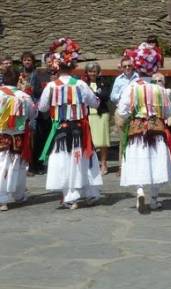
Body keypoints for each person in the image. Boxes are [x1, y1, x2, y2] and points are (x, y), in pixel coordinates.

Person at [38, 37, 103, 210]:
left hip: (60, 127)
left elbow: (43, 107)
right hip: (80, 127)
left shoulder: (51, 86)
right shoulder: (81, 84)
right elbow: (95, 103)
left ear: (56, 66)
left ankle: (70, 196)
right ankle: (90, 193)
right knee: (83, 158)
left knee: (64, 160)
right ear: (72, 65)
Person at [116, 42, 171, 213]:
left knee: (138, 161)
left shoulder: (132, 88)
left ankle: (140, 190)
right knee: (156, 162)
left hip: (137, 130)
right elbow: (168, 112)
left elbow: (123, 110)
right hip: (157, 130)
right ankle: (155, 199)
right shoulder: (160, 90)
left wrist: (127, 118)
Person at [0, 68, 37, 211]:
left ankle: (2, 199)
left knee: (1, 165)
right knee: (18, 166)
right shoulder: (24, 96)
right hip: (18, 136)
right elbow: (33, 114)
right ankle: (19, 195)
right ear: (17, 80)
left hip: (1, 134)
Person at [110, 56, 139, 176]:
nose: (127, 68)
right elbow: (112, 97)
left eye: (129, 66)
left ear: (133, 66)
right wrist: (124, 94)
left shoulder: (138, 78)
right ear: (121, 68)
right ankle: (122, 166)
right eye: (125, 66)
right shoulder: (118, 79)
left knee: (136, 139)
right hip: (122, 112)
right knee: (123, 140)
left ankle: (135, 166)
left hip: (136, 112)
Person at [83, 62, 111, 175]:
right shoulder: (84, 83)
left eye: (94, 71)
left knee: (103, 140)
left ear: (98, 72)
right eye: (90, 71)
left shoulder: (104, 82)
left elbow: (105, 96)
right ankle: (92, 163)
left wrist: (92, 93)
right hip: (88, 114)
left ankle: (104, 163)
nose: (92, 73)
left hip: (101, 114)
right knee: (90, 140)